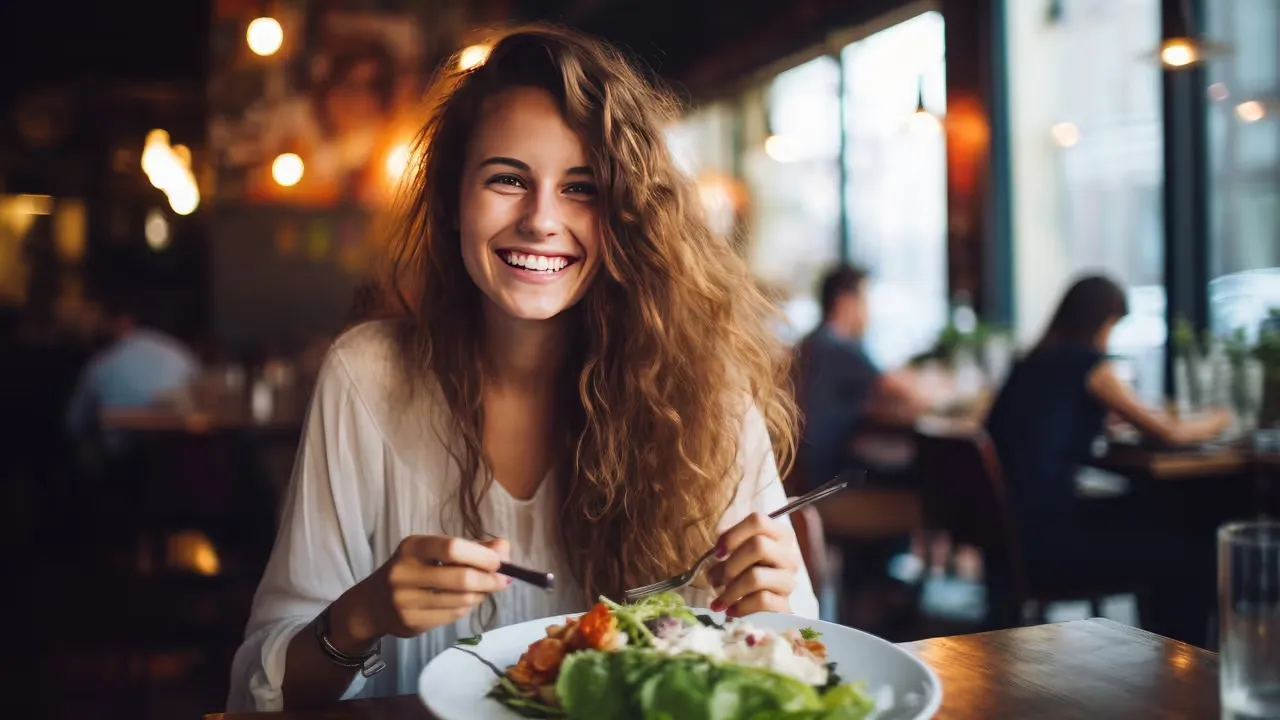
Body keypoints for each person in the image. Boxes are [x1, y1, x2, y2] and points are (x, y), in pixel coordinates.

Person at [229, 26, 817, 712]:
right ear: (452, 202)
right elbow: (261, 695)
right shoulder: (366, 377)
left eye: (581, 188)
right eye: (507, 179)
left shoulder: (702, 389)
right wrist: (361, 616)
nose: (541, 219)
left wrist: (769, 609)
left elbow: (800, 659)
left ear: (627, 218)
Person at [985, 274, 1230, 646]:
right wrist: (1221, 417)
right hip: (1051, 546)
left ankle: (1168, 655)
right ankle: (1188, 662)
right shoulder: (1089, 364)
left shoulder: (1030, 362)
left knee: (1157, 516)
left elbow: (1045, 423)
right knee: (1189, 550)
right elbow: (1170, 432)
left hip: (1012, 540)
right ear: (1102, 322)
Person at [794, 264, 931, 487]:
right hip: (832, 469)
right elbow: (901, 390)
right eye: (865, 301)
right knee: (924, 466)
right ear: (845, 302)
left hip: (808, 464)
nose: (869, 312)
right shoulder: (837, 347)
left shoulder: (811, 342)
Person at [64, 290, 200, 441]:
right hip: (182, 449)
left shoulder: (101, 364)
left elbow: (74, 423)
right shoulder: (176, 351)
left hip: (124, 452)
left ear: (114, 322)